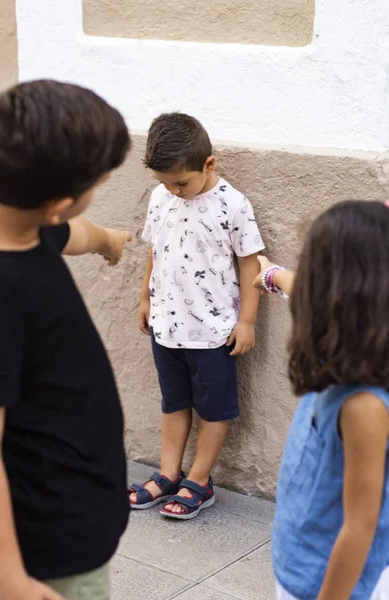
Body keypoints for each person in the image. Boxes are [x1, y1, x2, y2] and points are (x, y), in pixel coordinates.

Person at [0, 80, 132, 600]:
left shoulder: (18, 222)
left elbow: (73, 233)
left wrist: (107, 241)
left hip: (71, 507)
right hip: (47, 546)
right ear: (58, 202)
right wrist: (6, 578)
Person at [128, 112, 265, 519]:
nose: (174, 190)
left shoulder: (233, 205)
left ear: (209, 164)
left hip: (214, 332)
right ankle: (169, 472)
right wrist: (145, 298)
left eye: (181, 183)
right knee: (173, 402)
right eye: (165, 183)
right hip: (167, 326)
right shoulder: (161, 198)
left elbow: (248, 264)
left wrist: (247, 321)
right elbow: (156, 250)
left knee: (213, 407)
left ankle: (200, 480)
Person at [254, 201, 389, 600]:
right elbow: (301, 289)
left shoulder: (363, 404)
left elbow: (360, 526)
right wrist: (274, 275)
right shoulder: (347, 351)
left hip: (328, 584)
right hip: (302, 562)